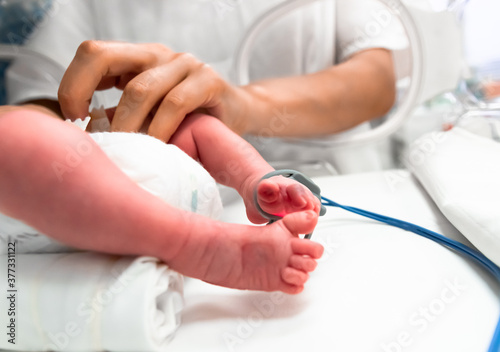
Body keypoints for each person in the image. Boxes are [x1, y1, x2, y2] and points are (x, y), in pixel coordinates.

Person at [4, 0, 407, 173]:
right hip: (168, 218)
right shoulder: (89, 7)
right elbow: (38, 102)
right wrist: (49, 139)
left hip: (342, 191)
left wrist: (244, 107)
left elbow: (375, 80)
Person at [0, 103, 324, 294]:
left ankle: (254, 183)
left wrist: (253, 177)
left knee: (190, 124)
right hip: (145, 210)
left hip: (135, 177)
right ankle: (199, 242)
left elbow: (195, 129)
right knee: (19, 138)